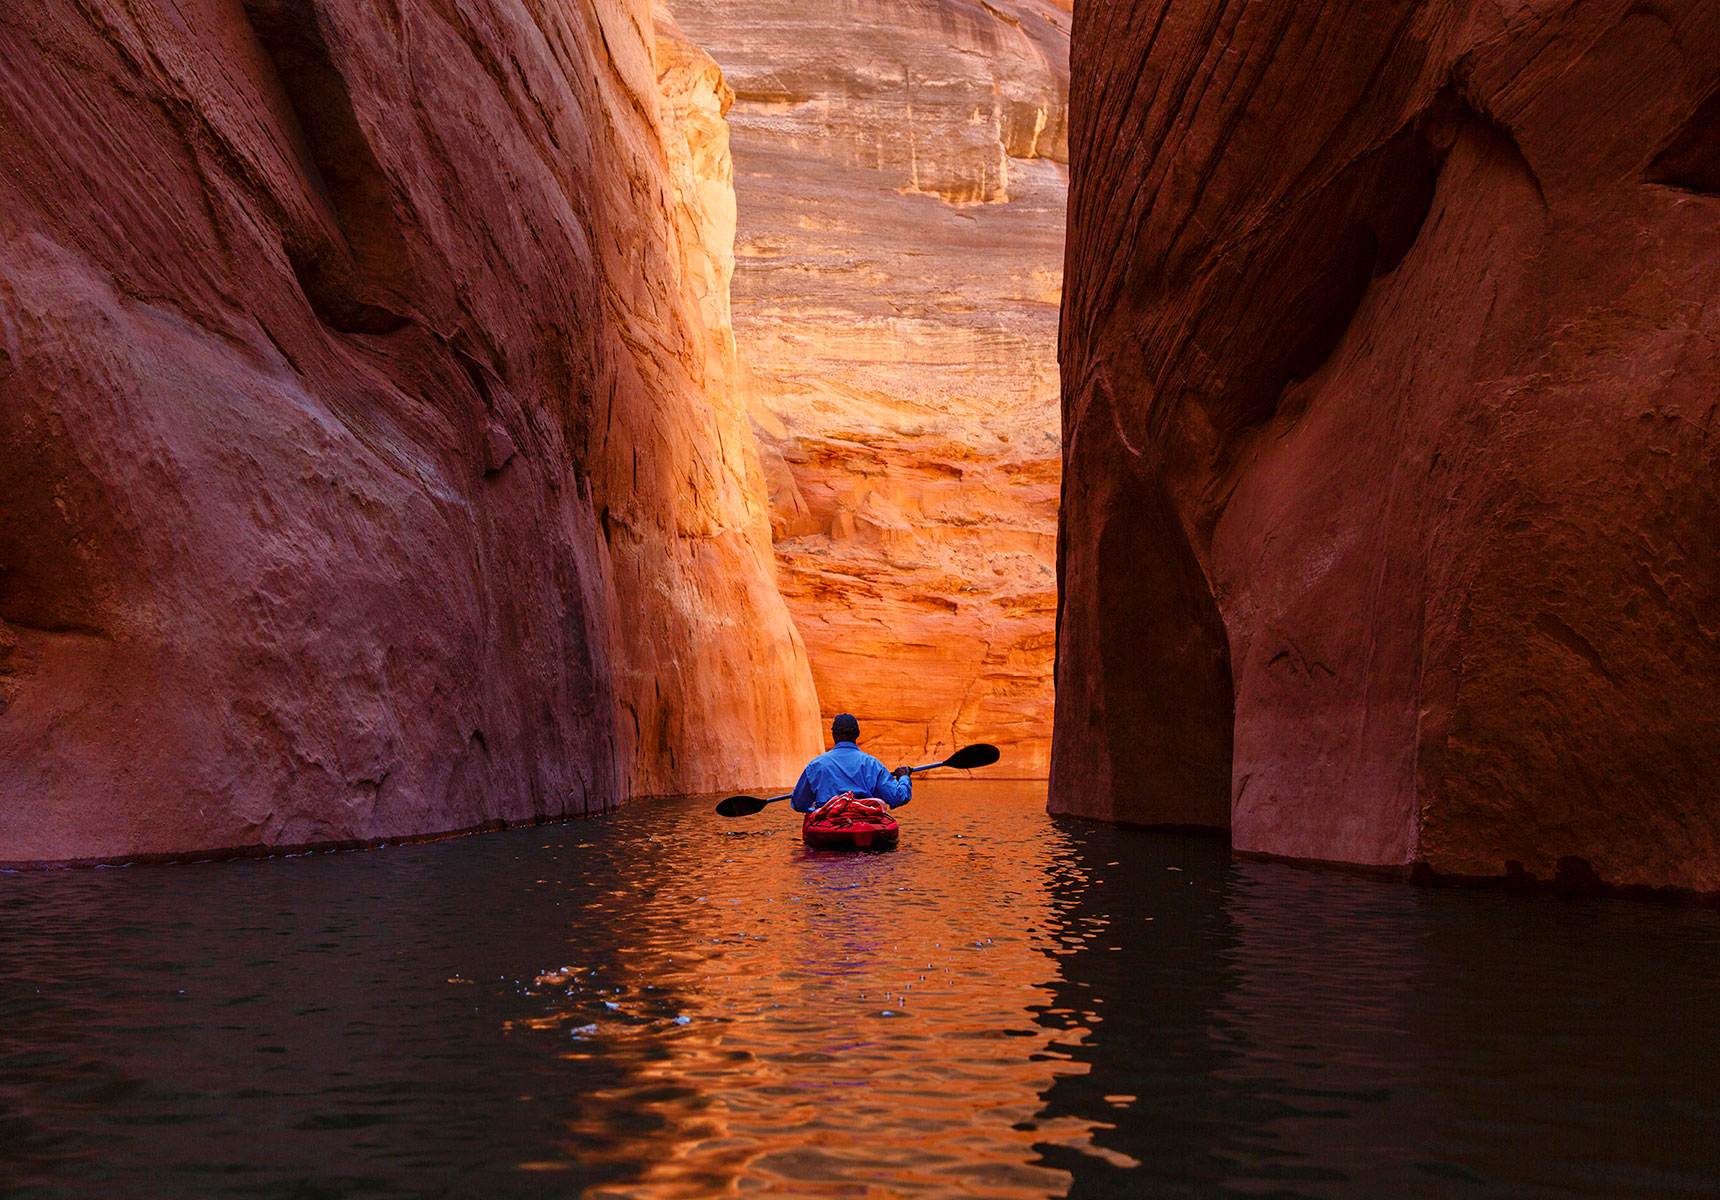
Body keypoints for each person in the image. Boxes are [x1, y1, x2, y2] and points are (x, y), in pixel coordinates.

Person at [790, 714, 912, 812]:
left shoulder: (816, 765)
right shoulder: (872, 764)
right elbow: (897, 798)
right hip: (865, 824)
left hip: (828, 823)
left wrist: (814, 809)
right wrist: (904, 777)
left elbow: (799, 804)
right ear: (857, 734)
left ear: (833, 734)